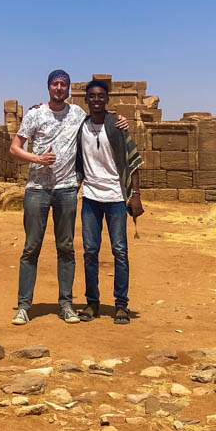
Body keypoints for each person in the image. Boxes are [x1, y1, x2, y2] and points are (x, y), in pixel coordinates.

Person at [8, 70, 127, 325]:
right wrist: (38, 159)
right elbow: (14, 148)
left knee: (66, 248)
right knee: (31, 247)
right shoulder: (35, 114)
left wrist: (121, 120)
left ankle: (66, 304)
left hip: (66, 189)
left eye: (64, 84)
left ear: (69, 90)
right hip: (37, 189)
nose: (59, 88)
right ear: (48, 87)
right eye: (55, 84)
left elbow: (100, 116)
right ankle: (24, 306)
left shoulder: (77, 115)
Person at [74, 79, 143, 325]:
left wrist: (135, 195)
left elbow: (133, 162)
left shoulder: (117, 126)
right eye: (91, 96)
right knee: (90, 251)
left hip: (115, 197)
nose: (96, 100)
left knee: (120, 251)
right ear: (86, 100)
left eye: (100, 96)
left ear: (107, 100)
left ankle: (121, 304)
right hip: (91, 196)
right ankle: (92, 302)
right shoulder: (80, 126)